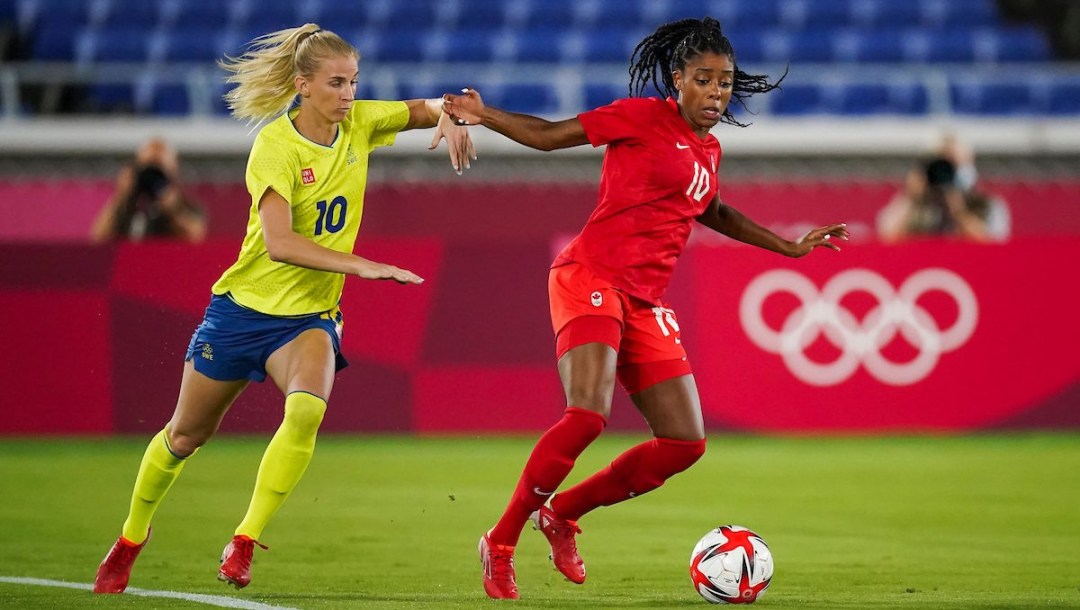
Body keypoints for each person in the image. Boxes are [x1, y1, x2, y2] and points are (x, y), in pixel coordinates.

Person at [443, 17, 848, 600]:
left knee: (684, 441)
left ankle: (562, 514)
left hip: (644, 300)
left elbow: (711, 211)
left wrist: (788, 245)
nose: (715, 92)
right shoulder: (639, 117)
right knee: (587, 414)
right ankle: (501, 541)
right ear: (677, 79)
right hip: (590, 277)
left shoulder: (709, 149)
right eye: (703, 80)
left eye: (725, 83)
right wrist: (487, 115)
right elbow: (552, 135)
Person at [92, 23, 474, 594]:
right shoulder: (275, 146)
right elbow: (280, 243)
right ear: (303, 86)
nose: (349, 95)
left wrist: (455, 114)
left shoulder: (361, 123)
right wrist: (361, 266)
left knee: (306, 412)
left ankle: (244, 541)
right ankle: (130, 538)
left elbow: (427, 108)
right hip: (243, 311)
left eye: (354, 83)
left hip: (307, 321)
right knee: (184, 437)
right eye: (338, 84)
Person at [876, 151, 1010, 244]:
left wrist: (958, 210)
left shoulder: (987, 205)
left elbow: (991, 244)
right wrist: (913, 197)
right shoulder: (918, 205)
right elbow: (888, 239)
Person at [90, 137, 208, 243]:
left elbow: (196, 238)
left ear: (174, 170)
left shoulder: (185, 205)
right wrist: (122, 195)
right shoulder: (127, 205)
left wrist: (172, 210)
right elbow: (98, 238)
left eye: (159, 168)